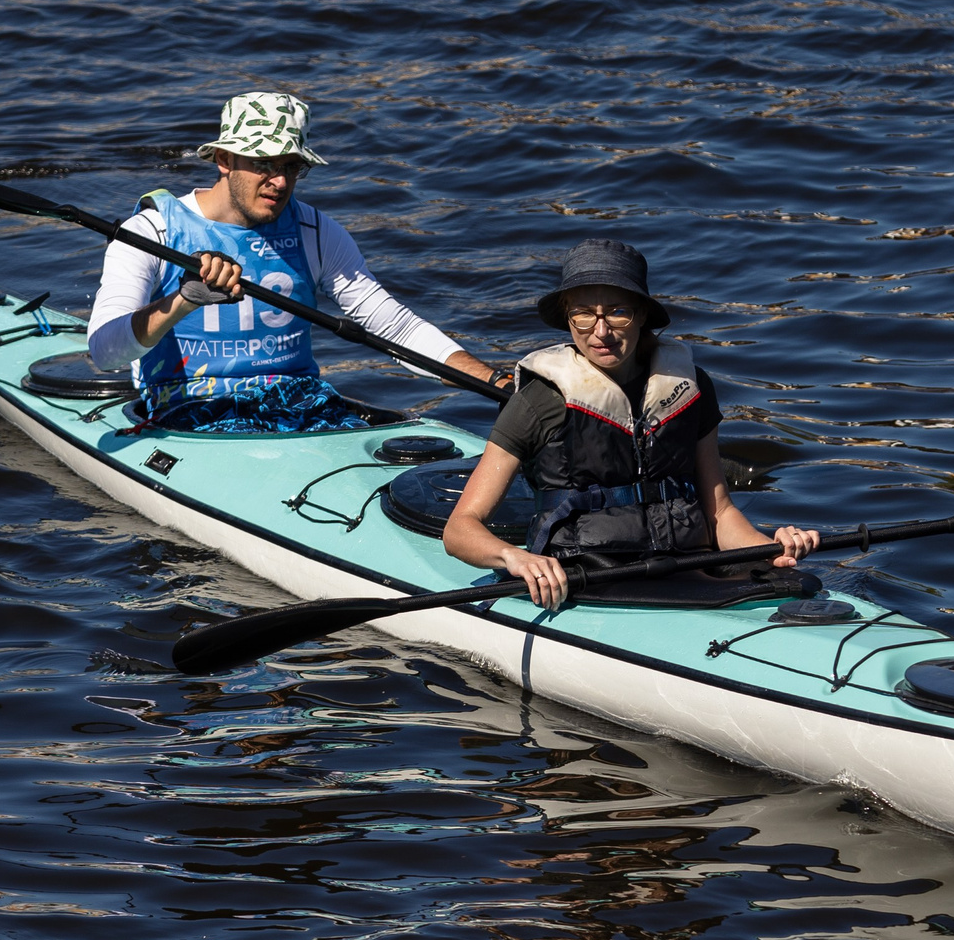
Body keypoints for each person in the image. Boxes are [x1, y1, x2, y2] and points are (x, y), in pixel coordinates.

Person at [85, 91, 499, 433]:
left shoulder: (315, 231)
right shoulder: (152, 231)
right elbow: (105, 352)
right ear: (224, 160)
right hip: (189, 407)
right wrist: (184, 302)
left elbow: (395, 328)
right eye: (263, 164)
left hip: (299, 401)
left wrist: (497, 383)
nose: (280, 182)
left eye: (290, 166)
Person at [443, 238, 816, 608]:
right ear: (568, 316)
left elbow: (720, 513)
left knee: (797, 581)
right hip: (589, 575)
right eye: (584, 314)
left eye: (617, 312)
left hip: (688, 565)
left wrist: (769, 547)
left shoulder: (691, 387)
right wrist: (515, 557)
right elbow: (461, 528)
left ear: (641, 314)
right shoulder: (539, 401)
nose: (600, 332)